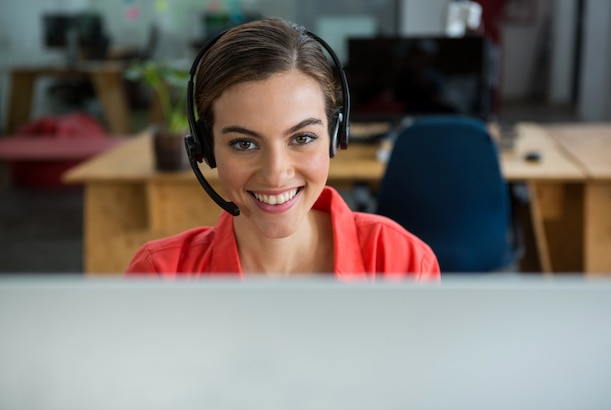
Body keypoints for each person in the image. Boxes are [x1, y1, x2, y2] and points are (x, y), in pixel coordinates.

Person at [125, 17, 440, 280]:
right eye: (244, 143)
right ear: (206, 150)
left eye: (302, 138)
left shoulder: (402, 262)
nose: (275, 174)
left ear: (334, 136)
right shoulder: (161, 275)